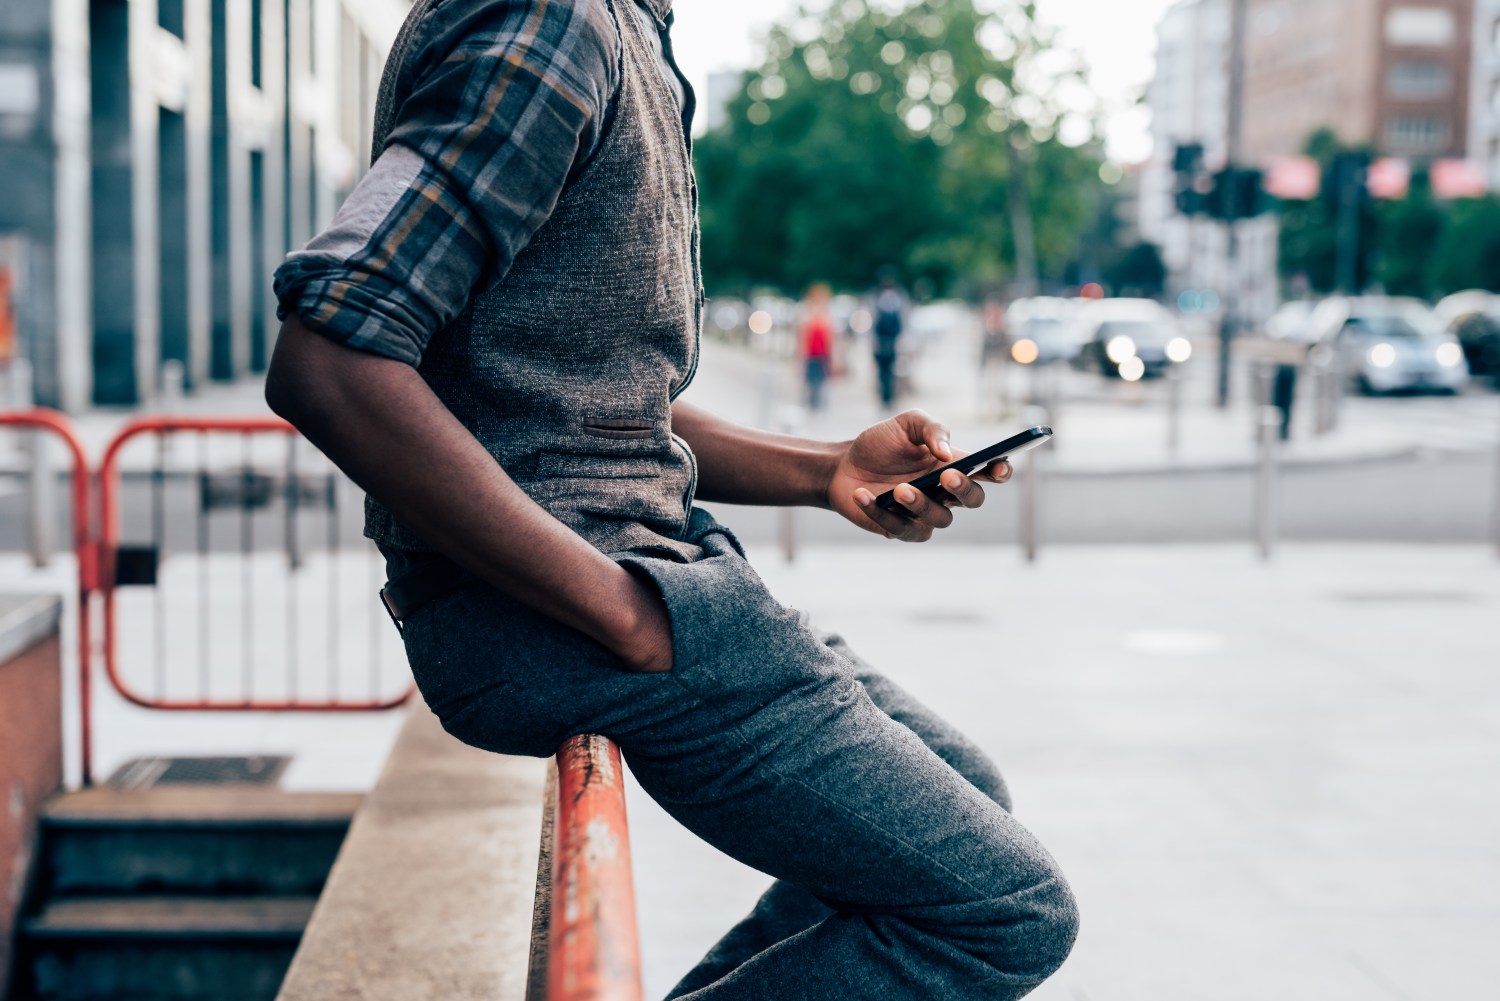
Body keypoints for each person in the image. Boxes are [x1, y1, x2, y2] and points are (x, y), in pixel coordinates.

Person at [265, 1, 1078, 997]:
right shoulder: (550, 25)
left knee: (966, 803)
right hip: (578, 608)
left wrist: (826, 469)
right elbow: (333, 358)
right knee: (1003, 910)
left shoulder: (617, 28)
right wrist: (623, 611)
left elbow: (571, 396)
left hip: (647, 576)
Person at [872, 273, 907, 409]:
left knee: (890, 372)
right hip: (883, 342)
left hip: (891, 342)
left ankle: (889, 397)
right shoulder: (879, 299)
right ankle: (885, 397)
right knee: (884, 372)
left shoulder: (896, 299)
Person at [800, 283, 835, 412]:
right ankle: (812, 405)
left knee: (821, 382)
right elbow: (804, 338)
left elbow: (830, 341)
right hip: (811, 355)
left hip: (822, 356)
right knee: (811, 381)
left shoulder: (826, 319)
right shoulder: (808, 318)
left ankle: (818, 406)